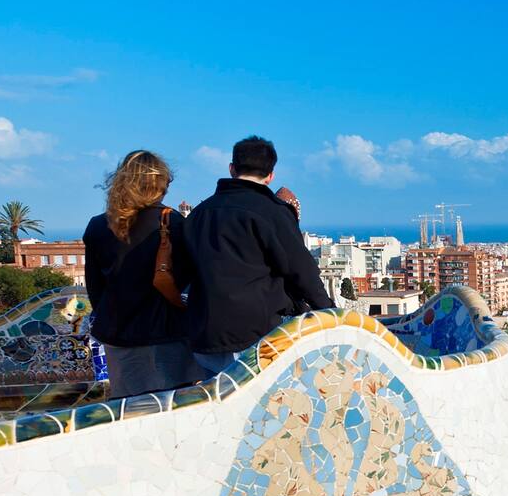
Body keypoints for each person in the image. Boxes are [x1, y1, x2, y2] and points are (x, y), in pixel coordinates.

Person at [183, 135, 332, 373]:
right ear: (270, 175)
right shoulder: (272, 212)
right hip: (255, 335)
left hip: (204, 335)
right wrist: (330, 313)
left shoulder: (199, 214)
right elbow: (300, 270)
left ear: (232, 169)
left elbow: (183, 272)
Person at [83, 150, 201, 398]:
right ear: (159, 184)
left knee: (129, 412)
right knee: (172, 411)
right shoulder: (171, 223)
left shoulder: (97, 226)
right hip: (166, 336)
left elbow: (95, 289)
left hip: (119, 337)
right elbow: (189, 281)